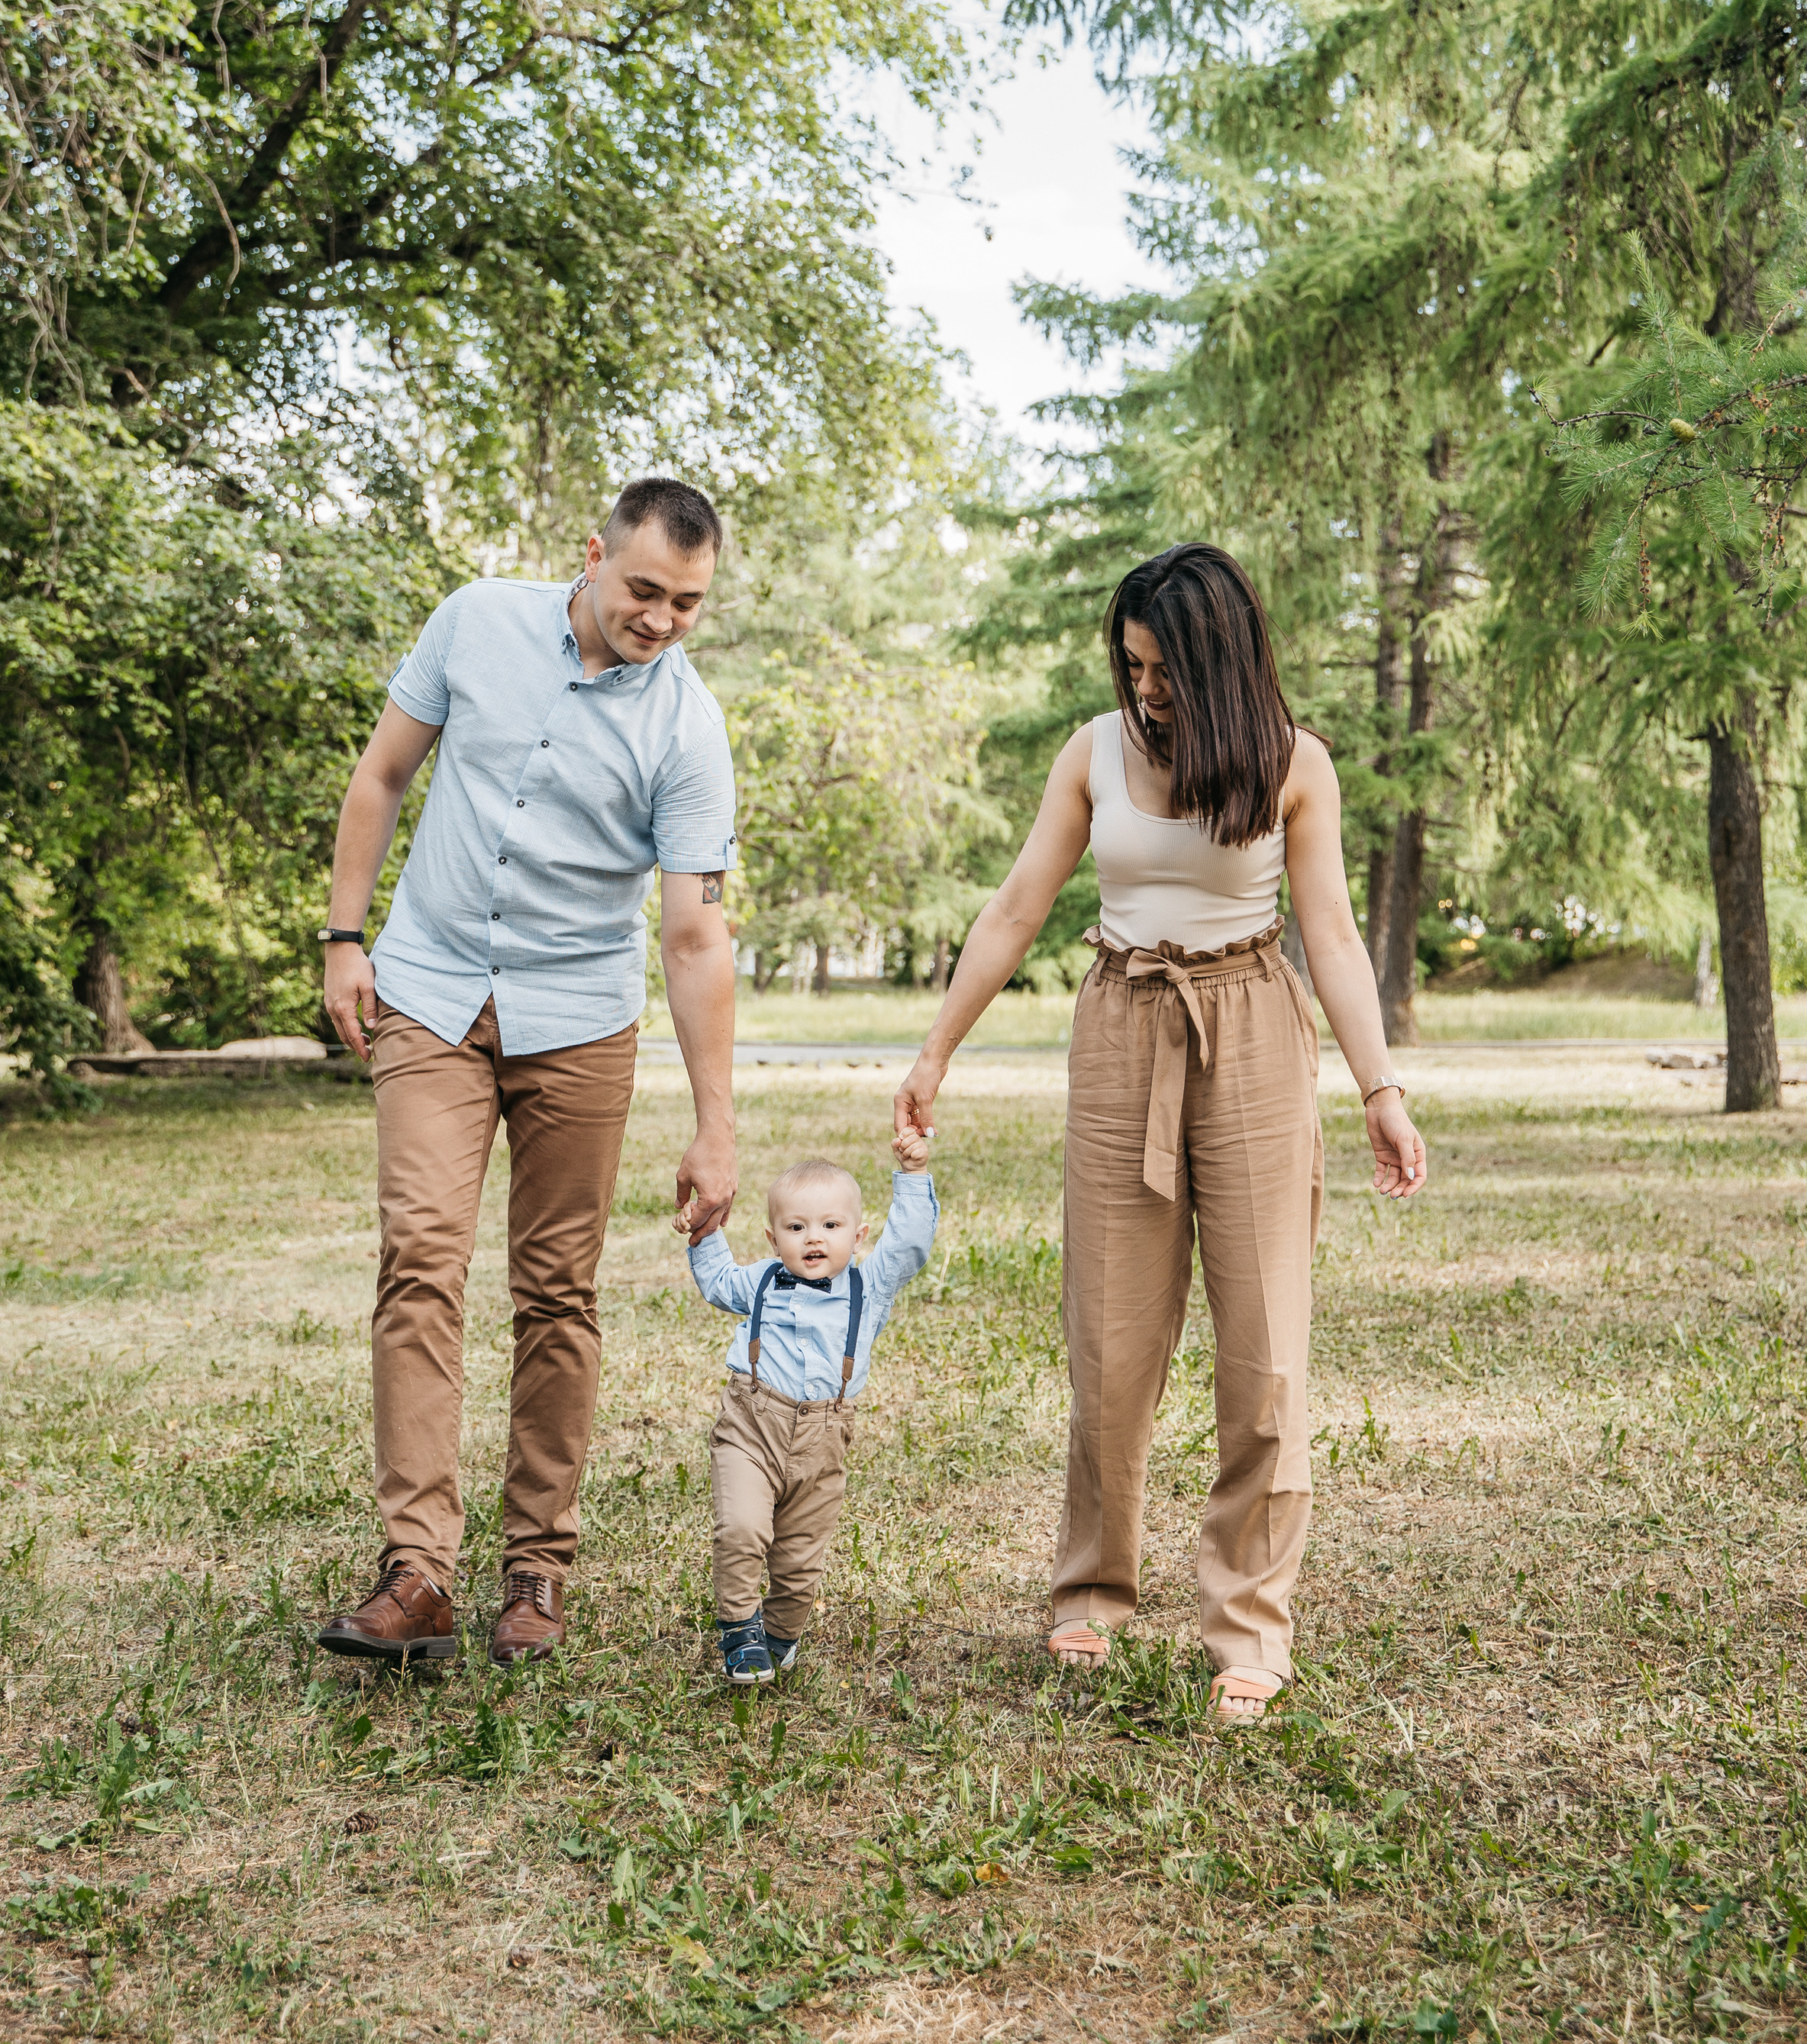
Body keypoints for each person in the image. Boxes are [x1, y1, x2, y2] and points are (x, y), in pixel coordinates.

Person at [895, 543, 1426, 1729]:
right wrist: (936, 1051)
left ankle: (1248, 1621)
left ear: (1219, 660)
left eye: (1165, 668)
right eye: (1132, 665)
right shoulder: (1093, 751)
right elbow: (1019, 904)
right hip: (1124, 1022)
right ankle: (1093, 1585)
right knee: (1112, 1333)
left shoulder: (1297, 764)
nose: (1145, 689)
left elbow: (1330, 936)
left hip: (1251, 1022)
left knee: (1265, 1343)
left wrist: (1380, 1087)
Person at [314, 476, 740, 1671]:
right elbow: (383, 775)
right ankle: (418, 1575)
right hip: (433, 992)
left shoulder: (687, 728)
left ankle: (537, 1574)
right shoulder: (477, 620)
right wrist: (347, 940)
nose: (660, 619)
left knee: (557, 1292)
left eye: (688, 605)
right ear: (592, 554)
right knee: (421, 1258)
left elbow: (696, 933)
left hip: (579, 1023)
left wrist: (717, 1126)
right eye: (644, 589)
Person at [683, 1131, 937, 1683]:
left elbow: (910, 1245)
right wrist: (704, 1228)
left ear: (859, 1234)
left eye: (830, 1225)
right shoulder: (758, 1283)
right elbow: (717, 1279)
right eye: (797, 1228)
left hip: (823, 1440)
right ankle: (739, 1629)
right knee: (742, 1529)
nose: (813, 1238)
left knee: (799, 1562)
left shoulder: (868, 1288)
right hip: (752, 1426)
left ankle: (779, 1634)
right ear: (774, 1238)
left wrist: (913, 1177)